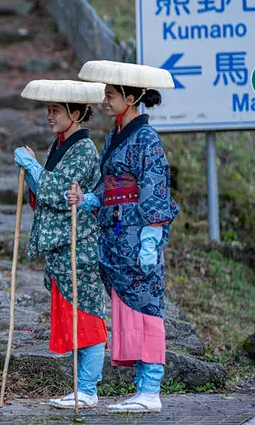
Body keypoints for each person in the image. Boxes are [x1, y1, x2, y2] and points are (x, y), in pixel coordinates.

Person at [68, 60, 180, 414]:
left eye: (111, 94)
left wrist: (151, 237)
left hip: (137, 232)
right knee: (126, 307)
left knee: (145, 305)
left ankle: (151, 389)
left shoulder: (147, 139)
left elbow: (155, 188)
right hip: (114, 232)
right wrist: (89, 200)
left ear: (130, 98)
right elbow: (106, 184)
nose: (104, 99)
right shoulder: (115, 136)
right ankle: (140, 387)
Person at [13, 80, 109, 409]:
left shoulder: (83, 150)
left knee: (88, 314)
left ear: (77, 114)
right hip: (62, 247)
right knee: (74, 313)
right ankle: (82, 387)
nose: (49, 116)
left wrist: (33, 167)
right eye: (49, 110)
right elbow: (45, 192)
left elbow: (54, 191)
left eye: (56, 111)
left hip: (78, 247)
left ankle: (88, 389)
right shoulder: (60, 144)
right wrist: (32, 172)